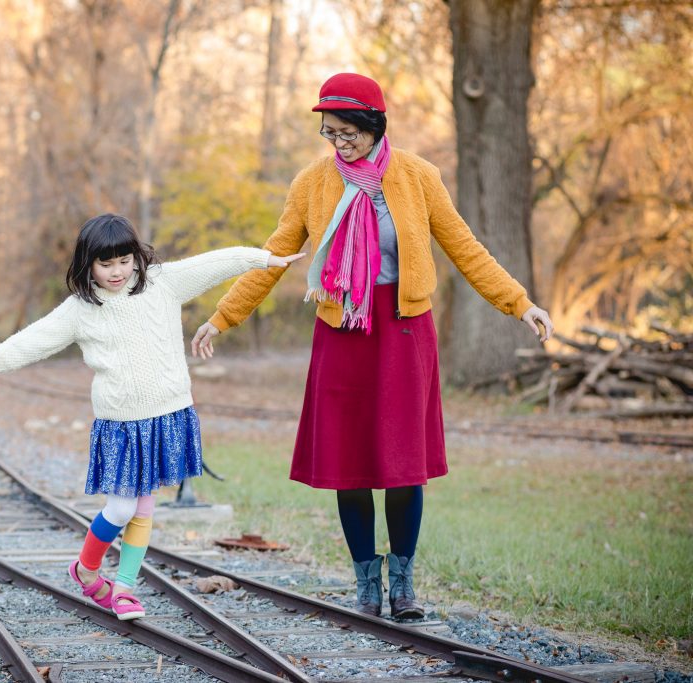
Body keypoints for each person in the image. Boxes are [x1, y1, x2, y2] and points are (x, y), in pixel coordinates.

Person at [190, 73, 554, 620]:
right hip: (342, 332)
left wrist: (519, 303)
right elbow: (274, 259)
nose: (338, 145)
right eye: (329, 134)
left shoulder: (417, 177)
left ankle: (402, 582)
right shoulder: (312, 184)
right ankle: (366, 581)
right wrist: (223, 317)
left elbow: (466, 249)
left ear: (375, 126)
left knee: (404, 464)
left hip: (404, 331)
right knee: (350, 462)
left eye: (347, 134)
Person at [0, 213, 303, 620]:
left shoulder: (163, 282)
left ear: (136, 257)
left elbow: (217, 262)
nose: (117, 271)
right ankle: (86, 568)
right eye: (106, 264)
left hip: (167, 414)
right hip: (121, 425)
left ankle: (125, 589)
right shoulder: (81, 309)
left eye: (125, 261)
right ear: (88, 265)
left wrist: (266, 259)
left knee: (145, 509)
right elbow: (32, 340)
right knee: (121, 509)